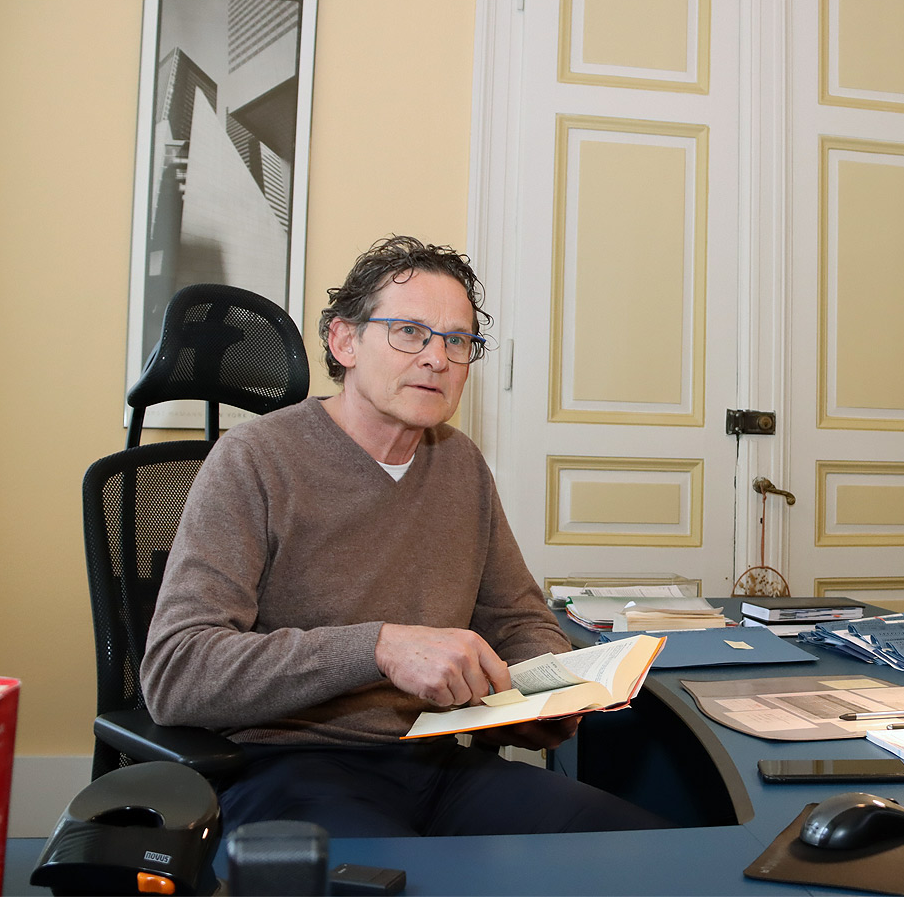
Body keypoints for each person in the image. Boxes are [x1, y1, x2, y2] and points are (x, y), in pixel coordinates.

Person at [140, 235, 669, 837]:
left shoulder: (460, 463)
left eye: (457, 341)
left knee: (638, 851)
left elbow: (517, 618)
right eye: (410, 332)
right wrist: (379, 648)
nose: (437, 358)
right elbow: (177, 672)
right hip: (288, 764)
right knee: (395, 876)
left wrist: (544, 694)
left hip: (437, 759)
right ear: (345, 342)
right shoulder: (255, 458)